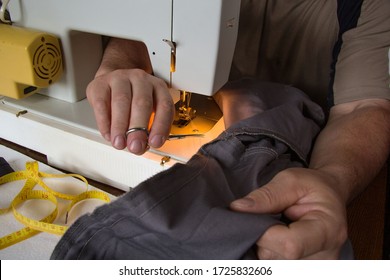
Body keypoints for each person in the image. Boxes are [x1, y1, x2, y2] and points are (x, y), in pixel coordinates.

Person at [86, 0, 390, 259]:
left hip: (300, 156)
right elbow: (155, 23)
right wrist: (119, 64)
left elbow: (362, 108)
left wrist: (331, 179)